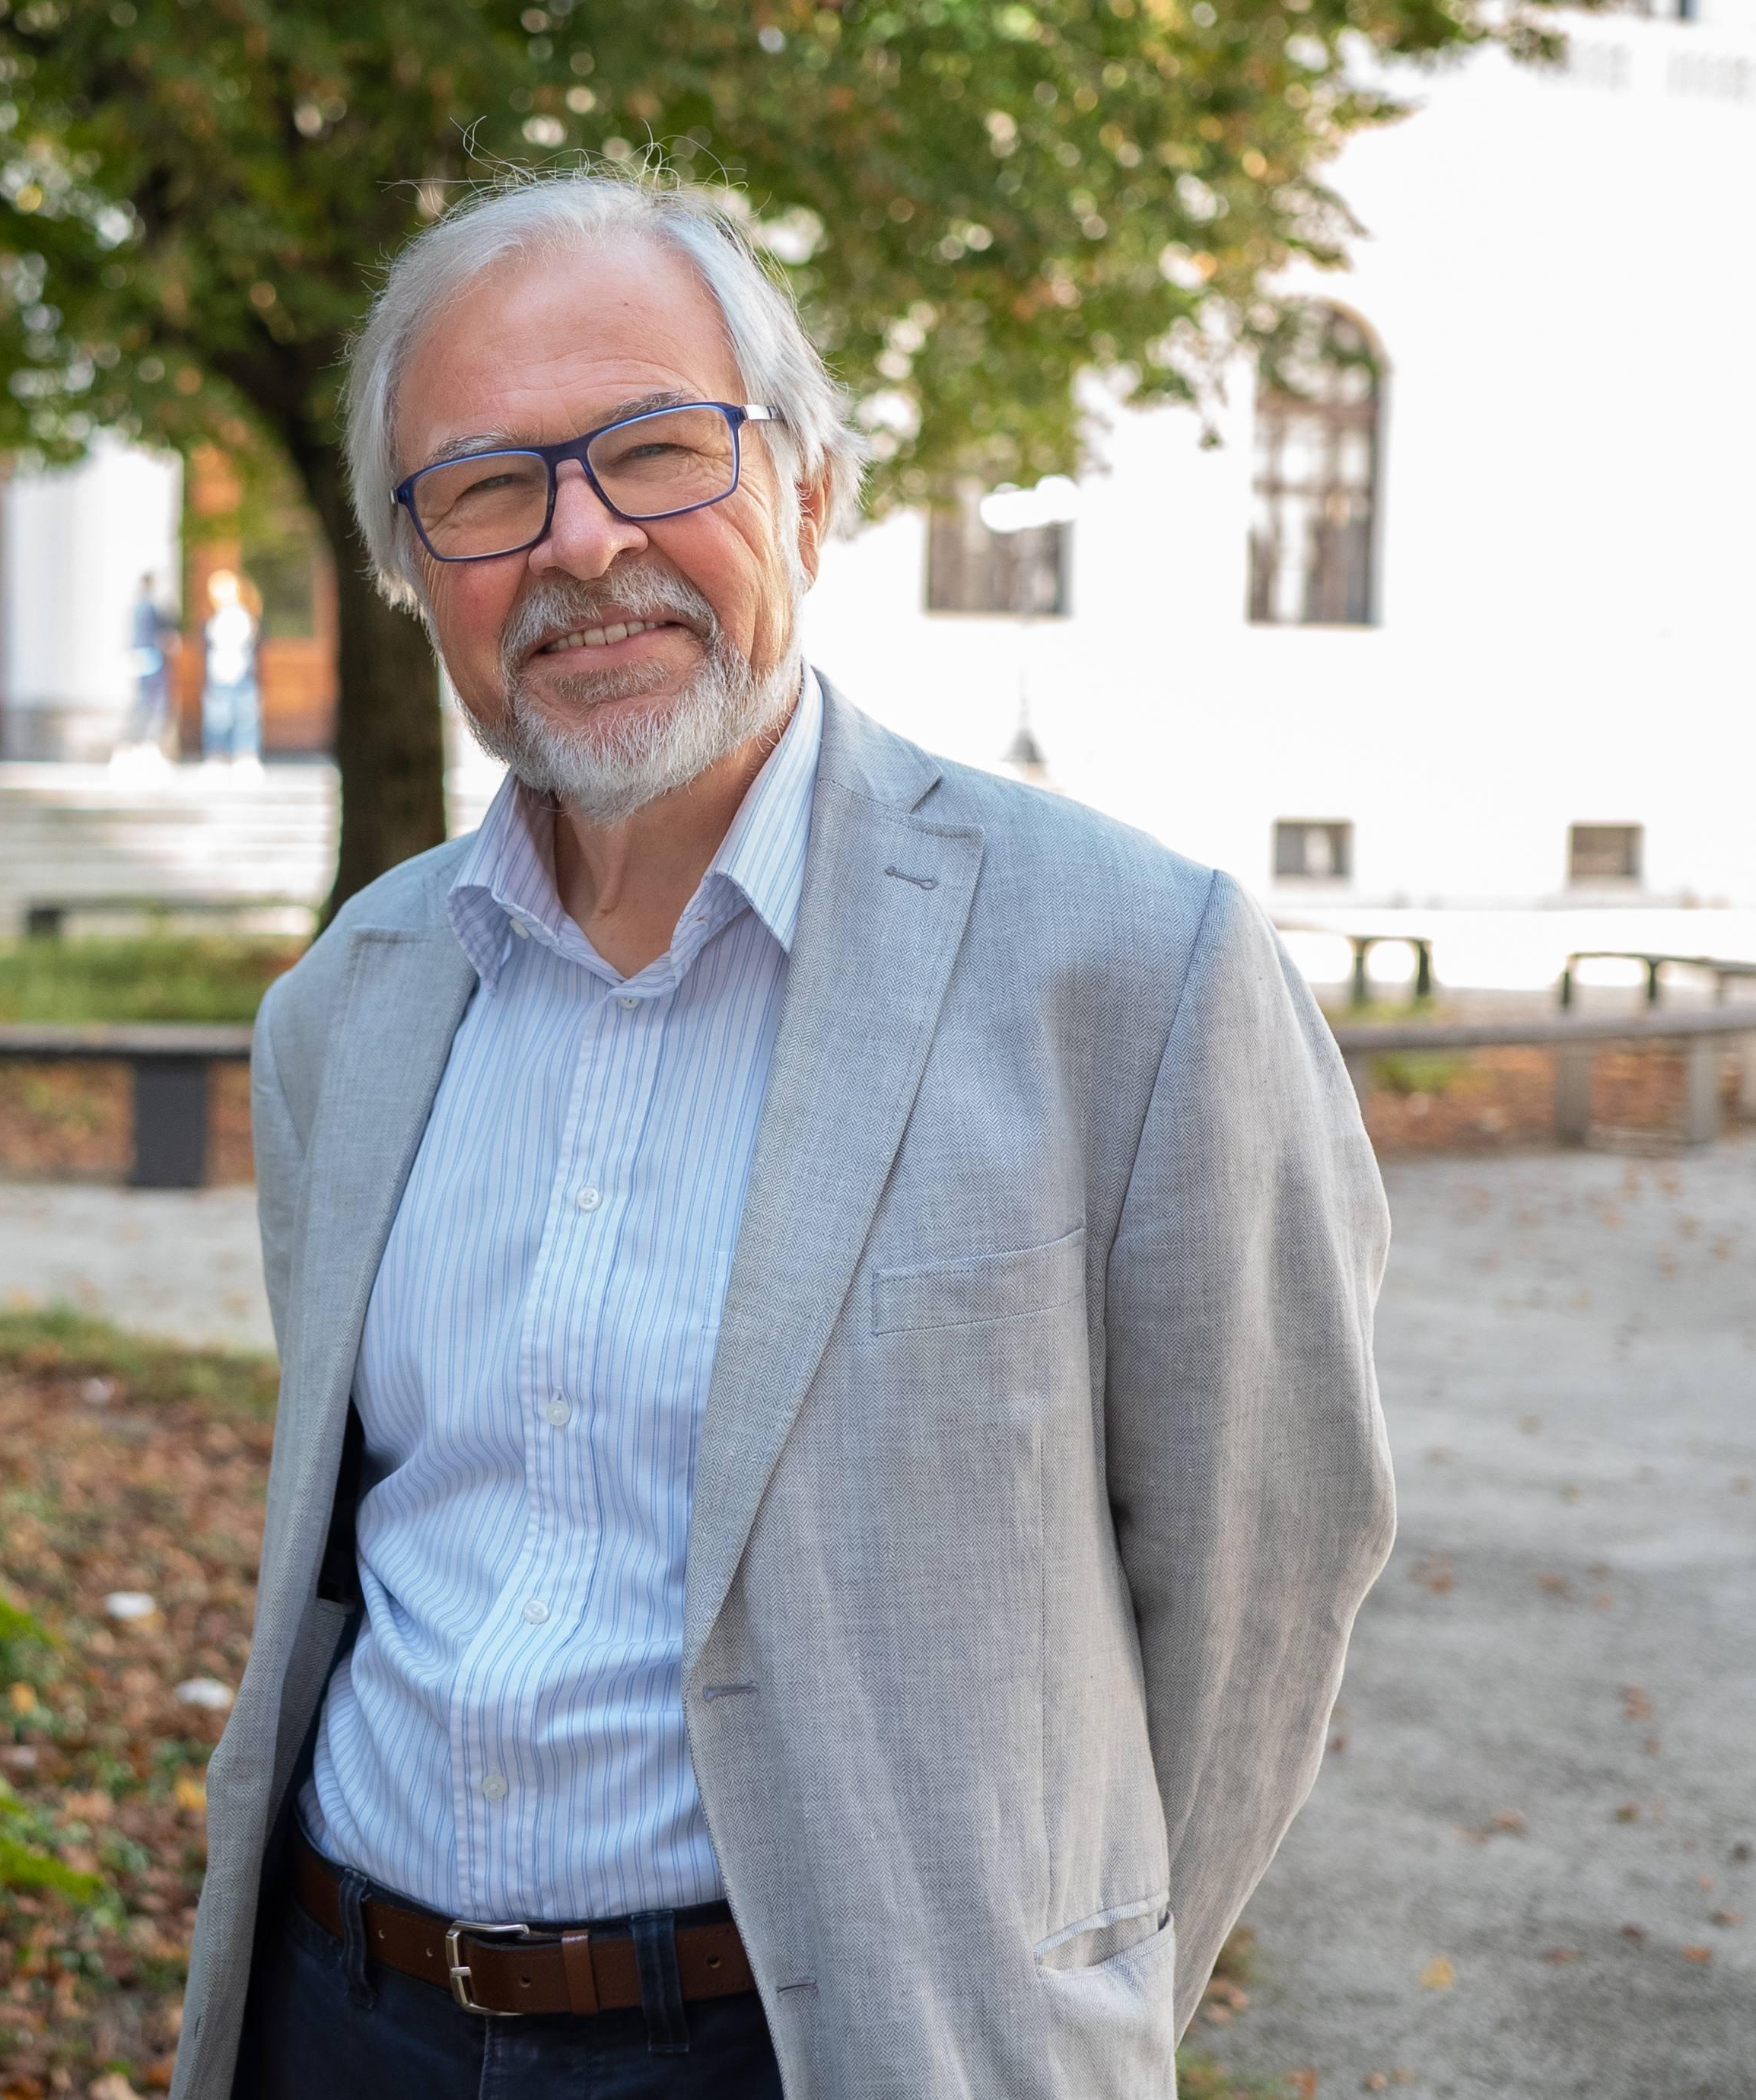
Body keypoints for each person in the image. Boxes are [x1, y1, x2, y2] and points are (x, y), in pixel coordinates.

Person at [172, 170, 1393, 2100]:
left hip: (826, 2051)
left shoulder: (1130, 970)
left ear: (806, 490)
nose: (579, 546)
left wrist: (1050, 1997)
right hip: (347, 2022)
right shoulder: (352, 1003)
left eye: (656, 450)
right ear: (413, 567)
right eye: (484, 488)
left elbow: (1267, 1571)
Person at [117, 571, 182, 771]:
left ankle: (135, 746)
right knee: (152, 704)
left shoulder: (138, 607)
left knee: (144, 703)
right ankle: (142, 746)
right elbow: (160, 636)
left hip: (142, 657)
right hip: (151, 659)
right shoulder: (150, 608)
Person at [199, 567, 262, 770]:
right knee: (218, 718)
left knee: (243, 717)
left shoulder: (242, 616)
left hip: (239, 673)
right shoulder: (216, 618)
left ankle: (244, 756)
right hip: (220, 674)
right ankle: (218, 756)